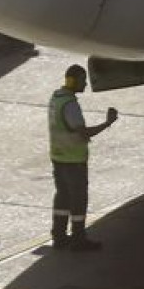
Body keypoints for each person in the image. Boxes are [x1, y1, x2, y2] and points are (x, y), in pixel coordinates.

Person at [49, 65, 117, 251]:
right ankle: (78, 238)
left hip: (58, 157)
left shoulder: (56, 98)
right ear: (73, 80)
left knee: (62, 197)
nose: (86, 84)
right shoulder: (70, 105)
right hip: (73, 161)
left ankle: (59, 236)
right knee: (78, 199)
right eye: (82, 80)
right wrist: (107, 123)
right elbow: (83, 133)